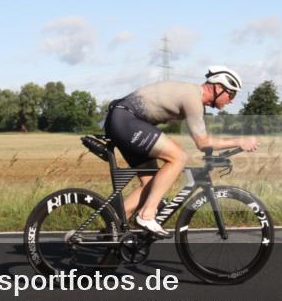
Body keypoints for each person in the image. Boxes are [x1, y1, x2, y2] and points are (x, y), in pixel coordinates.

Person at [103, 65, 259, 237]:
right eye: (231, 94)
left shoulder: (194, 98)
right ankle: (147, 215)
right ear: (218, 88)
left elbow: (203, 139)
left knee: (151, 184)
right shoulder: (192, 98)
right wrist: (240, 141)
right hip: (126, 120)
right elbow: (202, 142)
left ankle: (113, 228)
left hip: (123, 120)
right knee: (178, 157)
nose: (231, 101)